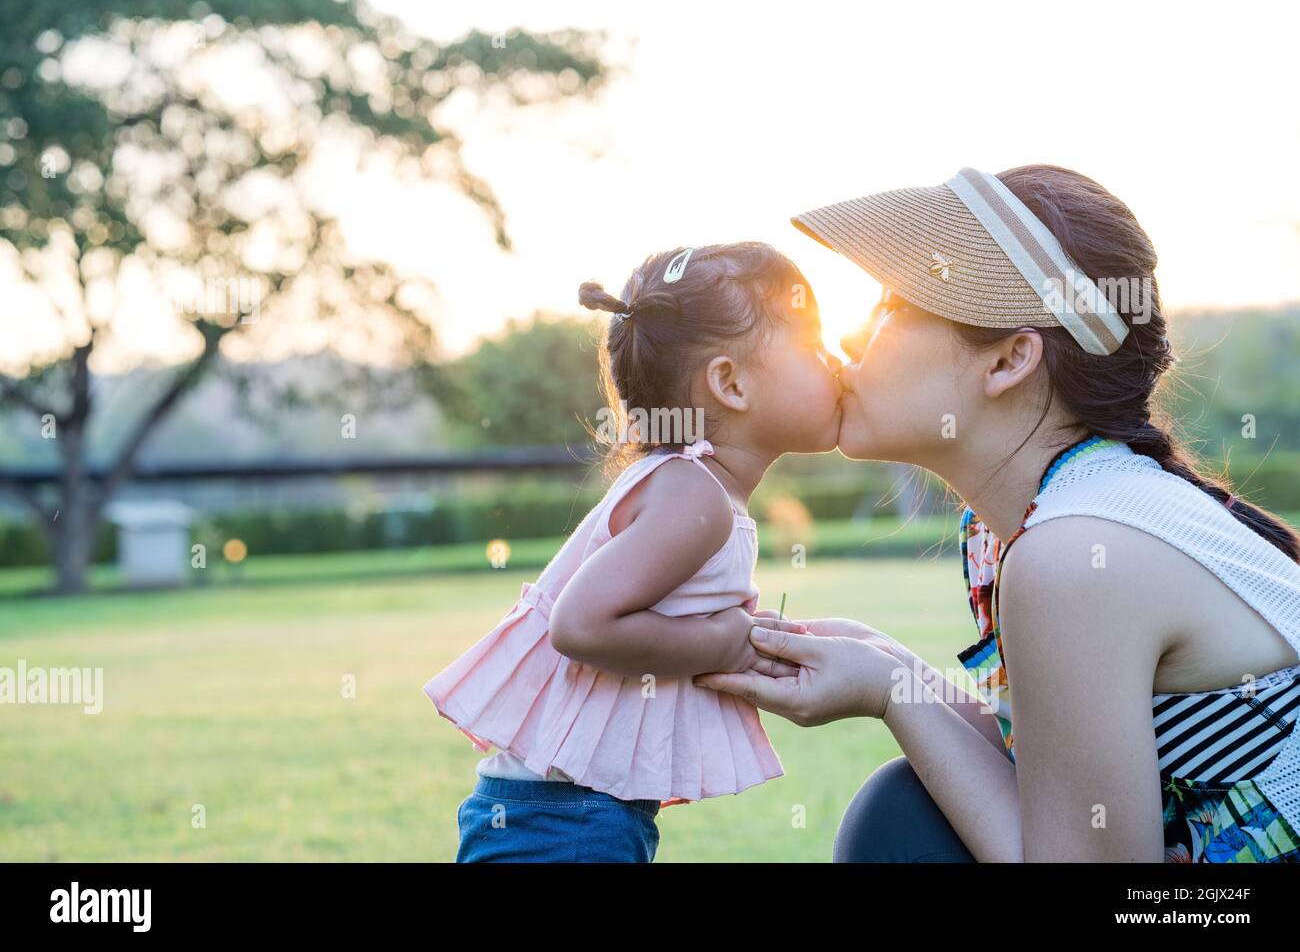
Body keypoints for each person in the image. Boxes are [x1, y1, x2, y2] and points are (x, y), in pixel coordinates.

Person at [697, 165, 1300, 862]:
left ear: (1010, 360)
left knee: (900, 825)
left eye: (893, 305)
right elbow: (1046, 768)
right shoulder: (1027, 525)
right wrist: (883, 663)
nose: (852, 341)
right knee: (906, 813)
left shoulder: (1075, 552)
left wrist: (892, 692)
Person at [423, 242, 839, 861]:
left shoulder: (695, 488)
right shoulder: (694, 495)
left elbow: (659, 619)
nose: (837, 363)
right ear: (730, 382)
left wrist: (742, 635)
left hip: (567, 816)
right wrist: (724, 641)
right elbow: (582, 624)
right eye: (813, 348)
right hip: (565, 825)